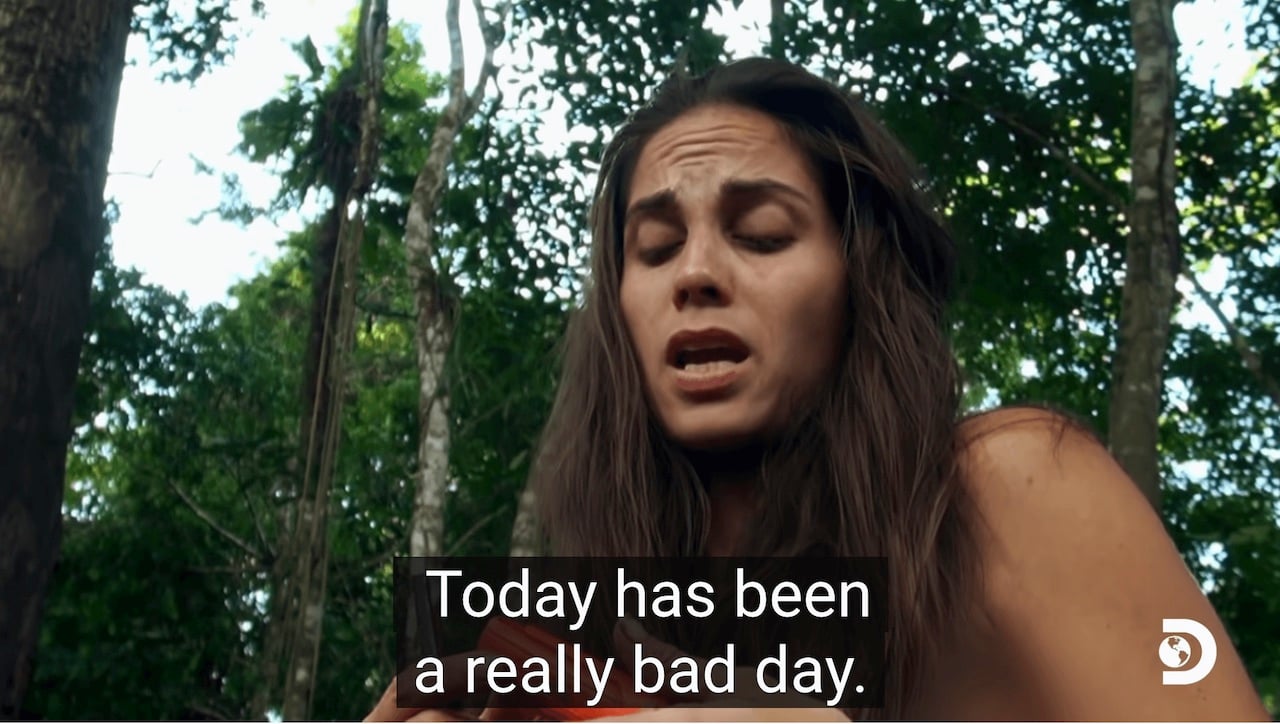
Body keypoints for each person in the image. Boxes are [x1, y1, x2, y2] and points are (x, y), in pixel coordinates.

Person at [367, 57, 1269, 721]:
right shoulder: (610, 631)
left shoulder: (1012, 488)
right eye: (655, 249)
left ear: (859, 283)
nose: (697, 274)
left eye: (762, 234)